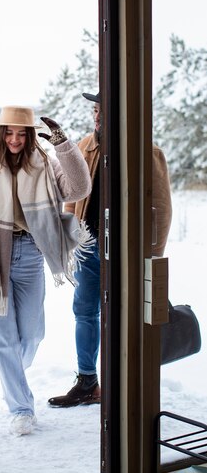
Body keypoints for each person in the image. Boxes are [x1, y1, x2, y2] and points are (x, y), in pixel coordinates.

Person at [0, 105, 92, 436]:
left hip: (31, 252)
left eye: (21, 133)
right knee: (3, 337)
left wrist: (62, 142)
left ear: (30, 135)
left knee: (32, 334)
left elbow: (79, 188)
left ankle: (12, 372)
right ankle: (21, 408)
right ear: (1, 132)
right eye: (9, 131)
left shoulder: (44, 164)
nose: (15, 139)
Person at [48, 91, 173, 408]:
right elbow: (73, 199)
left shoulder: (146, 150)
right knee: (85, 312)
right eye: (95, 110)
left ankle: (128, 383)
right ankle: (88, 382)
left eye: (104, 110)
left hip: (128, 253)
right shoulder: (85, 147)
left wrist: (151, 255)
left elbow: (161, 208)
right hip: (89, 248)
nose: (98, 116)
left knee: (126, 317)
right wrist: (69, 238)